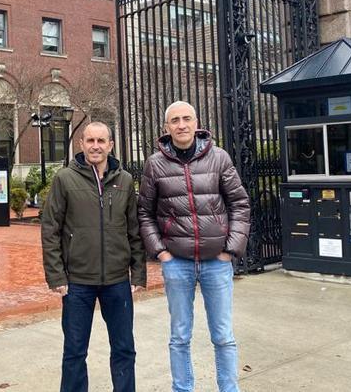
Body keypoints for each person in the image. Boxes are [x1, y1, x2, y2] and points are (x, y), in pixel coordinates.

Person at [137, 101, 251, 392]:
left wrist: (231, 250)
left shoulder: (219, 158)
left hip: (217, 262)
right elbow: (145, 212)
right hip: (177, 262)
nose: (181, 125)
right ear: (166, 128)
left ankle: (229, 388)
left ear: (196, 122)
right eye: (175, 120)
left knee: (223, 335)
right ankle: (182, 388)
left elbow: (239, 204)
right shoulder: (155, 164)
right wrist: (161, 252)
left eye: (186, 119)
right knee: (179, 335)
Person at [41, 121, 147, 392]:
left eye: (101, 141)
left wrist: (138, 272)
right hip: (77, 282)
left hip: (117, 281)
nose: (96, 146)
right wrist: (56, 275)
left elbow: (134, 229)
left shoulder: (123, 180)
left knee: (124, 348)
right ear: (82, 144)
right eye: (90, 141)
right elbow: (51, 229)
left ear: (111, 145)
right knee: (75, 351)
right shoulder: (65, 179)